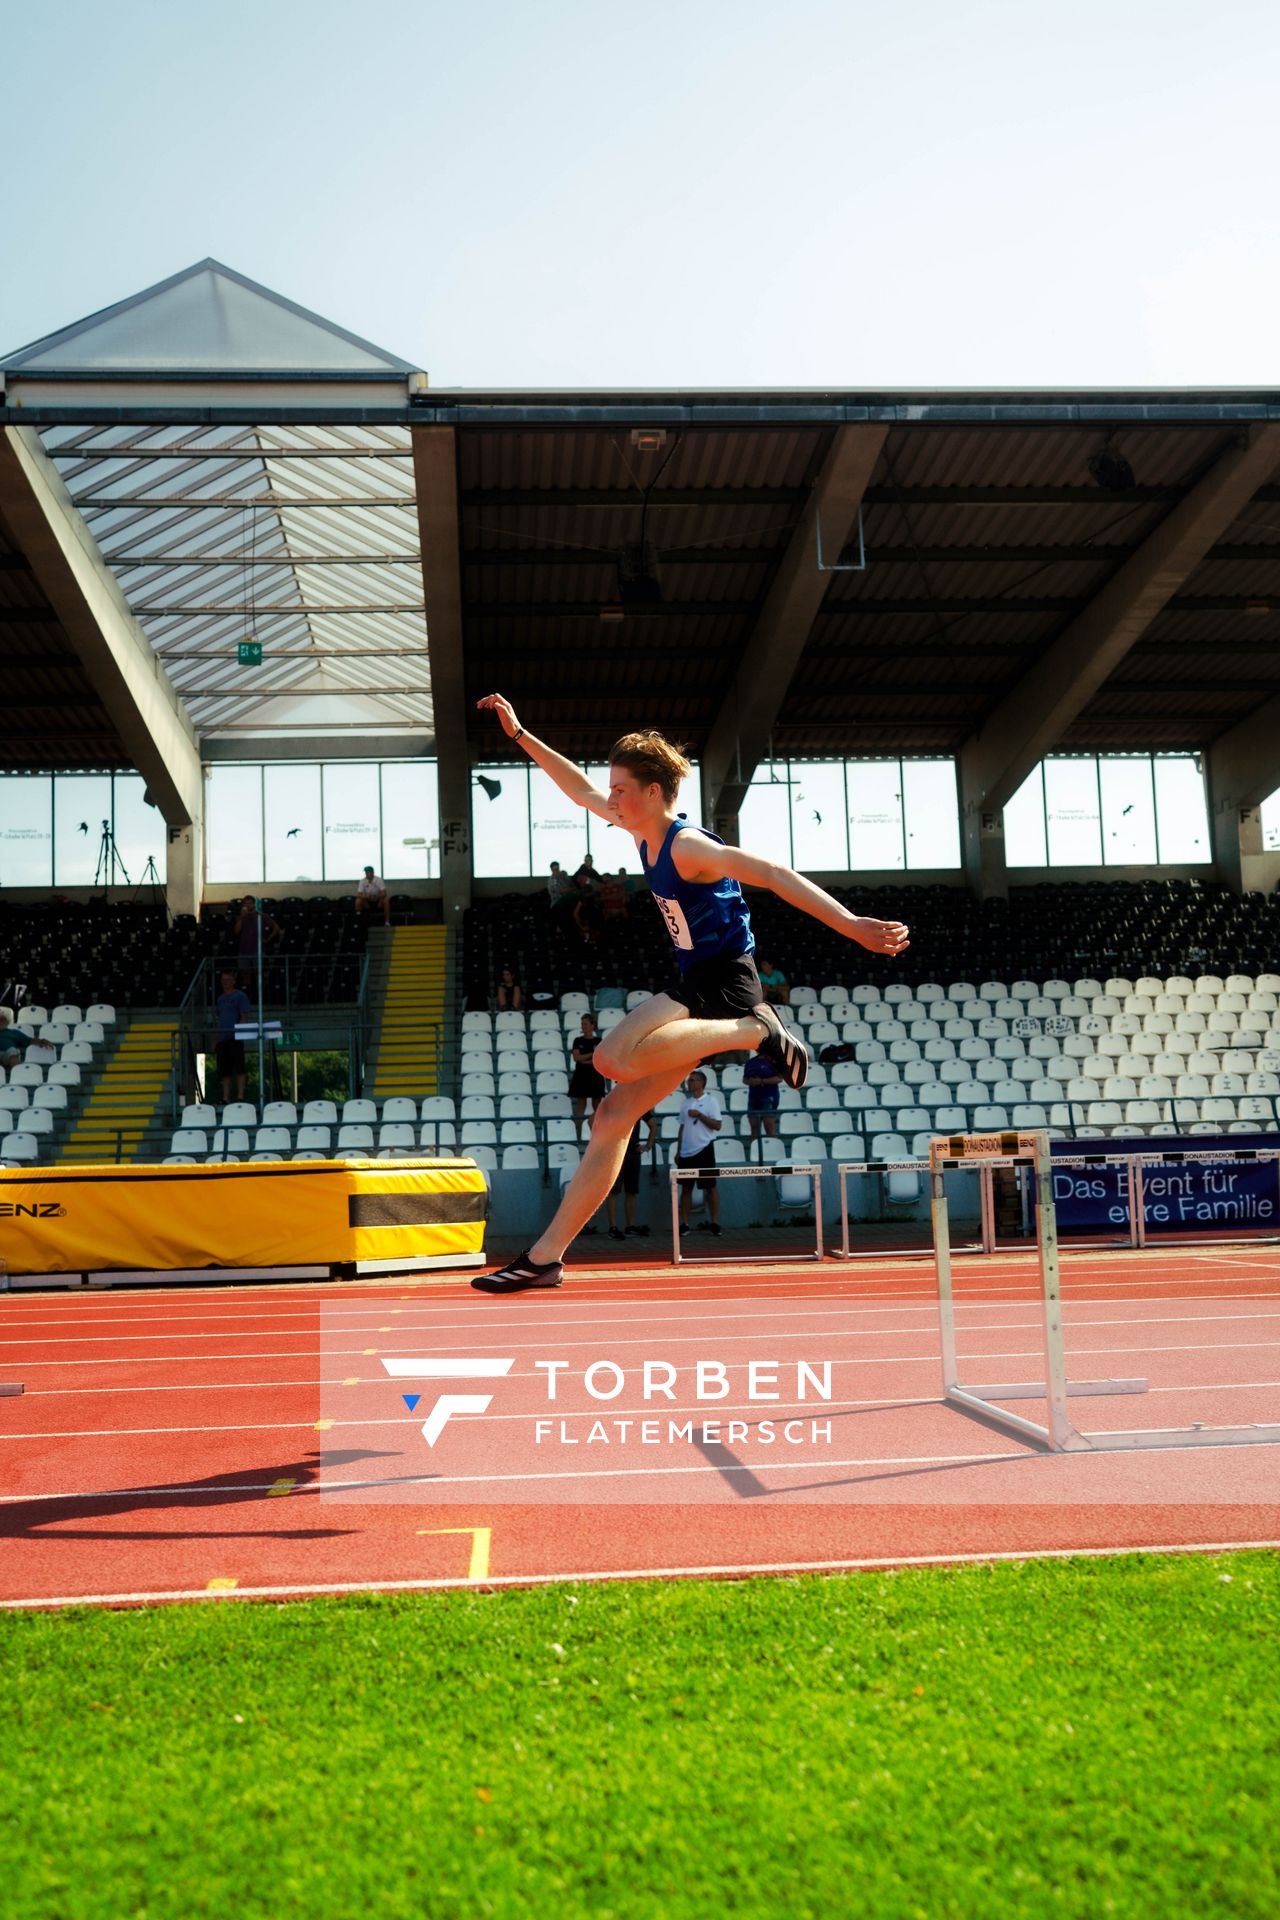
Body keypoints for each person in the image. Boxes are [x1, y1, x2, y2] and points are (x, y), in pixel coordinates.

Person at [470, 691, 909, 1293]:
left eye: (621, 789)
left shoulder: (686, 845)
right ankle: (546, 1256)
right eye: (612, 790)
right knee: (612, 1115)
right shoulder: (637, 829)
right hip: (696, 983)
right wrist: (520, 734)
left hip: (728, 986)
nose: (611, 799)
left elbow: (776, 874)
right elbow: (576, 789)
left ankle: (761, 1031)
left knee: (609, 1058)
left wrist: (853, 927)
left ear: (653, 793)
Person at [676, 1070, 723, 1236]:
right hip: (686, 1152)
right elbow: (682, 1128)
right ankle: (684, 1223)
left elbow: (717, 1125)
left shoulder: (711, 1101)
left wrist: (699, 1115)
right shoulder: (685, 1103)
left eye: (693, 1080)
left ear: (701, 1083)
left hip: (704, 1149)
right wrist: (678, 1150)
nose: (689, 1083)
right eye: (689, 1080)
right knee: (686, 1188)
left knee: (710, 1187)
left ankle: (714, 1222)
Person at [604, 1108, 657, 1238]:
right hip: (617, 1151)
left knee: (631, 1190)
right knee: (614, 1190)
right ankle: (613, 1227)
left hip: (632, 1152)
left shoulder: (639, 1104)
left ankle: (630, 1226)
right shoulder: (615, 1103)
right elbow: (594, 1122)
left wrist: (648, 1145)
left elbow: (653, 1125)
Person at [214, 969, 251, 1104]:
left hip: (235, 1037)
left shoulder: (240, 996)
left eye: (228, 980)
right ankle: (226, 1097)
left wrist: (239, 1033)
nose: (225, 983)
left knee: (239, 1067)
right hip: (223, 1038)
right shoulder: (220, 999)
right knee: (224, 1070)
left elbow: (244, 1016)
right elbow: (219, 1019)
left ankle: (240, 1096)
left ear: (234, 981)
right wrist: (217, 1038)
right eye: (223, 980)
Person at [569, 1012, 607, 1137]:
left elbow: (599, 1058)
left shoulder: (598, 1040)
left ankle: (598, 1133)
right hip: (581, 1075)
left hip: (595, 1075)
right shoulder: (577, 1040)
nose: (583, 1026)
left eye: (585, 1024)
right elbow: (576, 1057)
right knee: (581, 1104)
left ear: (592, 1025)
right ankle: (578, 1134)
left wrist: (585, 1060)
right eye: (582, 1024)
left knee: (597, 1104)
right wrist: (591, 1054)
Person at [233, 895, 282, 993]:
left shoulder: (262, 916)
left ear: (254, 904)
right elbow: (236, 932)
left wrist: (268, 939)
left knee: (258, 973)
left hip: (258, 950)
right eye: (245, 904)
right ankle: (248, 993)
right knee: (245, 974)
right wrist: (242, 918)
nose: (247, 905)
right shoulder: (241, 918)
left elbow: (276, 928)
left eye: (249, 903)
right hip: (244, 950)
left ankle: (260, 993)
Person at [743, 1049, 783, 1148]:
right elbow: (744, 1079)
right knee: (754, 1126)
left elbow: (779, 1078)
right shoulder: (750, 1062)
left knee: (769, 1126)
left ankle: (774, 1150)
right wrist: (750, 1082)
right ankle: (755, 1150)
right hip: (753, 1096)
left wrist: (762, 1081)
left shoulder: (774, 1061)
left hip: (769, 1096)